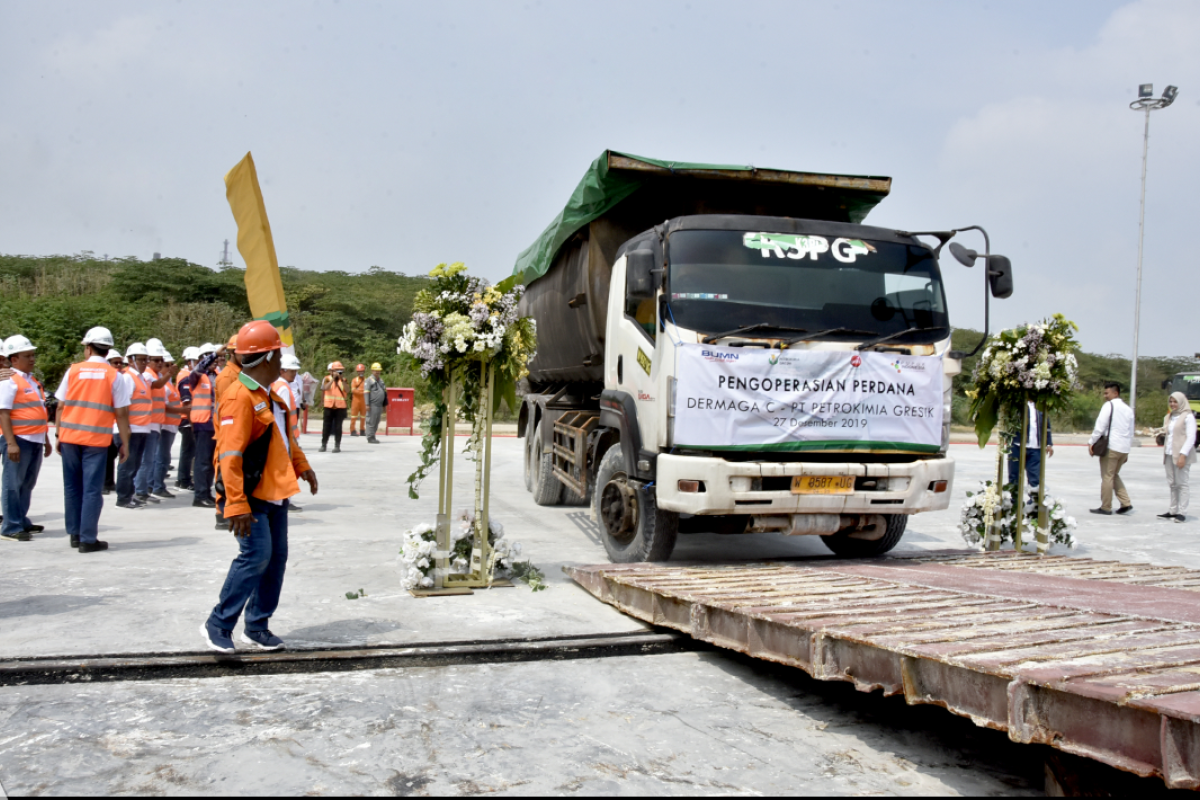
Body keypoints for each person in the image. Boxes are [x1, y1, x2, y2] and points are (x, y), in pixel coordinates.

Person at [200, 320, 318, 653]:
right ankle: (218, 624)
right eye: (278, 354)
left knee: (275, 558)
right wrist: (234, 503)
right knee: (255, 557)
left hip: (274, 491)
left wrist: (302, 466)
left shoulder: (269, 395)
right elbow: (230, 455)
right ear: (265, 358)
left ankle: (257, 626)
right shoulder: (239, 396)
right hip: (250, 496)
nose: (282, 360)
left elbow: (282, 438)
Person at [55, 326, 132, 552]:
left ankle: (75, 534)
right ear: (107, 351)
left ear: (88, 348)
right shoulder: (114, 376)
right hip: (96, 441)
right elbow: (121, 413)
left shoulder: (73, 371)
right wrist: (125, 442)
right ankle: (88, 539)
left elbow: (60, 405)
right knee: (91, 489)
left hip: (70, 437)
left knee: (72, 487)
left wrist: (59, 434)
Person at [0, 335, 52, 542]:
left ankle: (20, 519)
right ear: (14, 359)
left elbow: (38, 410)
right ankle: (10, 525)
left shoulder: (31, 381)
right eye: (27, 356)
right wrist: (11, 443)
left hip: (35, 439)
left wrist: (46, 439)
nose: (32, 359)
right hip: (19, 440)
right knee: (13, 483)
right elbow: (3, 413)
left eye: (32, 355)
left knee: (27, 483)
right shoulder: (8, 381)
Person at [115, 343, 155, 510]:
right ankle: (123, 498)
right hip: (131, 429)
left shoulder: (141, 378)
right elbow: (123, 405)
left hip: (142, 428)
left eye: (146, 359)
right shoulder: (127, 378)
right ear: (130, 360)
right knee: (127, 465)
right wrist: (126, 428)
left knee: (135, 465)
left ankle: (129, 495)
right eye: (141, 359)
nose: (145, 362)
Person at [1088, 381, 1135, 516]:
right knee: (1114, 475)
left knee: (1107, 476)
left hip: (1112, 446)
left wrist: (1091, 442)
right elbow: (1131, 431)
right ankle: (1126, 503)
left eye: (1107, 393)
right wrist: (1127, 451)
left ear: (1116, 393)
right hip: (1123, 448)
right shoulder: (1128, 409)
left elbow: (1100, 426)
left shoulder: (1109, 406)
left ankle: (1106, 507)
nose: (1105, 396)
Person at [186, 344, 219, 509]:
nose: (213, 361)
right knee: (202, 461)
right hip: (203, 422)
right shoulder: (197, 376)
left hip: (215, 424)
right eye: (207, 357)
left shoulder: (218, 375)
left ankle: (206, 492)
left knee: (212, 462)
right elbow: (199, 368)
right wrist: (213, 354)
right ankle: (199, 495)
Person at [152, 351, 186, 499]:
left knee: (164, 458)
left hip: (170, 424)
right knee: (161, 458)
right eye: (166, 365)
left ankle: (156, 485)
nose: (168, 367)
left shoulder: (168, 384)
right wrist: (182, 410)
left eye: (169, 364)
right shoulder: (163, 385)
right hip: (165, 425)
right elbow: (165, 406)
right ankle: (157, 486)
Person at [273, 354, 304, 513]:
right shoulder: (283, 388)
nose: (294, 374)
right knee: (286, 469)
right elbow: (282, 416)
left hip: (284, 435)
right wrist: (291, 438)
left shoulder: (278, 386)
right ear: (282, 370)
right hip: (285, 436)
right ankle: (285, 498)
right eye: (292, 371)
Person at [1160, 391, 1197, 523]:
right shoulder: (1170, 416)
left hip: (1181, 454)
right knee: (1172, 483)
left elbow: (1191, 437)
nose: (1172, 404)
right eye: (1170, 401)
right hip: (1169, 453)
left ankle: (1182, 512)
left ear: (1181, 402)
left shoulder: (1188, 417)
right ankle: (1173, 510)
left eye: (1175, 401)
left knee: (1182, 483)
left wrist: (1183, 455)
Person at [1007, 400, 1054, 488]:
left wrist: (1048, 444)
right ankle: (1015, 500)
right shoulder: (1017, 404)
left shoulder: (1041, 406)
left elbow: (1047, 426)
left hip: (1036, 448)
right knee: (1014, 477)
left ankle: (1033, 500)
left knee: (1035, 479)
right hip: (1017, 445)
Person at [102, 348, 127, 494]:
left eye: (120, 363)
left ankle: (109, 482)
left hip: (114, 423)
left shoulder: (120, 378)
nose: (119, 365)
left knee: (111, 453)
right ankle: (104, 483)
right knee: (105, 454)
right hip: (105, 422)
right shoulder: (107, 379)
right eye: (115, 363)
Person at [174, 346, 199, 491]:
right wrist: (191, 422)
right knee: (188, 451)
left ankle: (183, 479)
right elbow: (187, 402)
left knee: (189, 451)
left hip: (189, 417)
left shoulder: (189, 375)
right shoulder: (185, 376)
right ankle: (184, 479)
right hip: (187, 418)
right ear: (189, 362)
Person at [320, 361, 347, 453]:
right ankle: (324, 445)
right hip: (329, 406)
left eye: (340, 371)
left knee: (338, 427)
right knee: (326, 426)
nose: (339, 373)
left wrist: (341, 379)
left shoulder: (343, 380)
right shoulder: (327, 378)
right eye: (336, 371)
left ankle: (337, 445)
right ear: (331, 371)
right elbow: (325, 388)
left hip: (340, 407)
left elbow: (347, 390)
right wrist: (333, 379)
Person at [365, 363, 387, 443]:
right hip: (372, 404)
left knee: (377, 420)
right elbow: (366, 392)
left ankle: (373, 435)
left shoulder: (381, 380)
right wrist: (367, 404)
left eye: (379, 370)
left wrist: (384, 405)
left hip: (379, 405)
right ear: (372, 370)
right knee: (371, 420)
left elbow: (384, 393)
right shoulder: (369, 380)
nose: (377, 372)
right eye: (376, 370)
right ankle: (370, 437)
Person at [349, 364, 367, 437]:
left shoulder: (366, 380)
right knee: (354, 416)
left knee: (363, 416)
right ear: (357, 372)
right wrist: (362, 392)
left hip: (364, 401)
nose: (361, 373)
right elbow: (353, 390)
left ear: (364, 371)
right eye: (359, 371)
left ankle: (362, 430)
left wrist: (359, 391)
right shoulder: (354, 380)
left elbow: (369, 390)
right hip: (355, 401)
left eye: (362, 371)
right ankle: (352, 430)